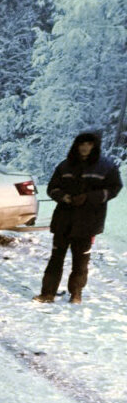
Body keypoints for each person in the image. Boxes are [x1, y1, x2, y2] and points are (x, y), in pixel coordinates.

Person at [33, 130, 122, 304]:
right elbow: (52, 188)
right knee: (56, 258)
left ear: (94, 146)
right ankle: (47, 293)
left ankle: (76, 294)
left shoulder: (106, 167)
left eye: (89, 144)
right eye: (82, 144)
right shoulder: (65, 166)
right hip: (63, 221)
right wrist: (64, 197)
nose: (85, 148)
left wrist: (89, 197)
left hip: (89, 221)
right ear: (76, 146)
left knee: (81, 261)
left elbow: (114, 188)